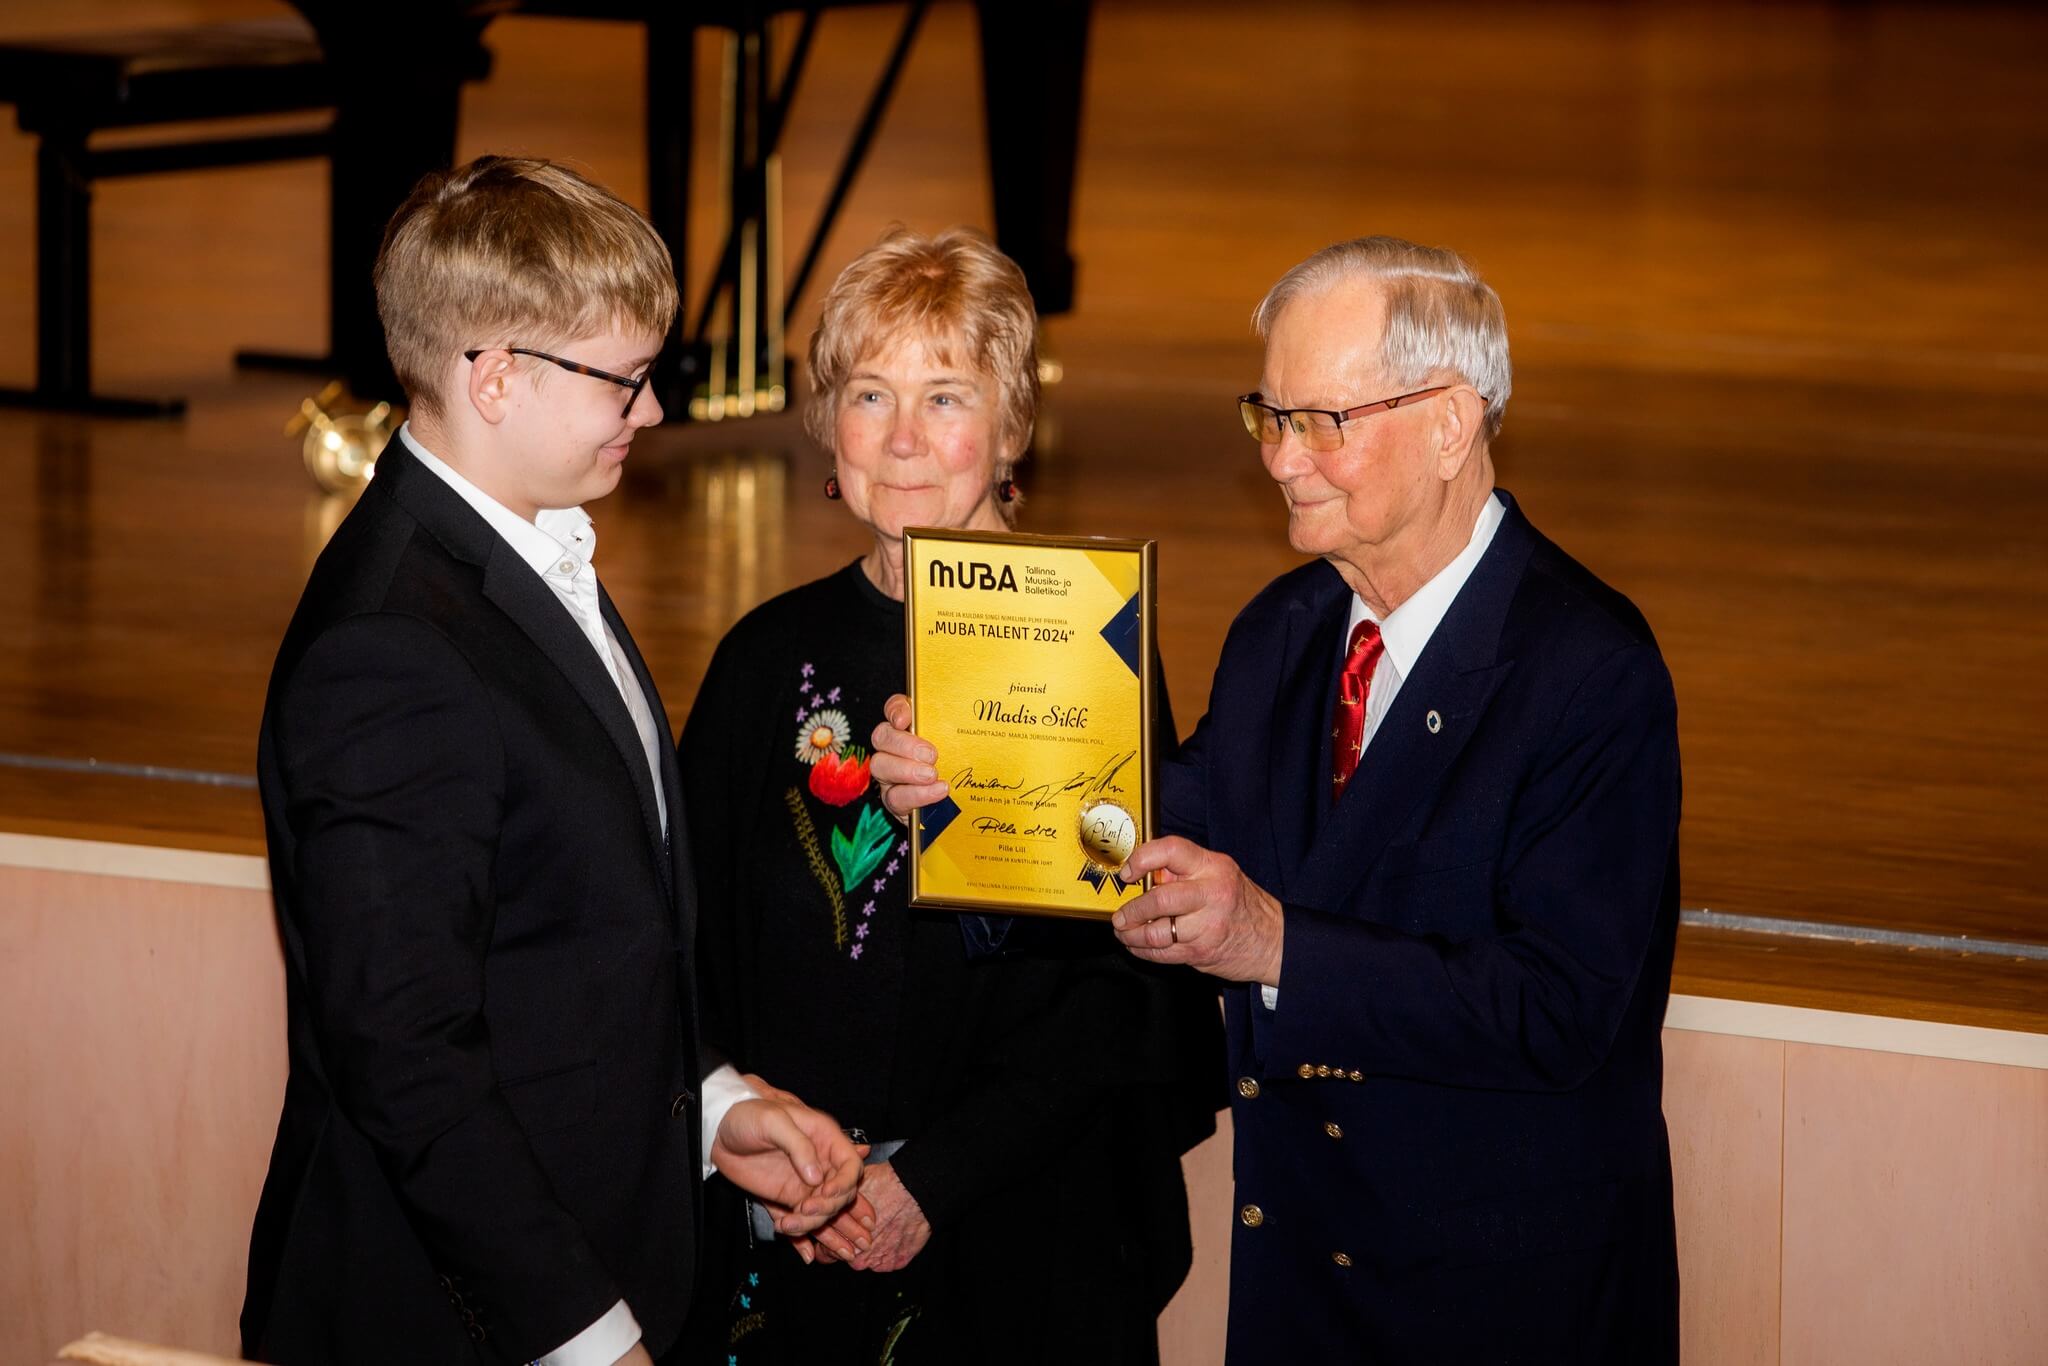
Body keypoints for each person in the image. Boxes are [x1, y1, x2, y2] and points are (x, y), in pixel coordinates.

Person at [876, 236, 1682, 1363]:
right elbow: (1145, 834)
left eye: (1323, 422)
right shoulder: (1284, 632)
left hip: (1500, 1309)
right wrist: (975, 795)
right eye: (1269, 416)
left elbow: (1556, 1008)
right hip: (1302, 1296)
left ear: (1451, 424)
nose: (1282, 459)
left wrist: (1275, 945)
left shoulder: (1587, 669)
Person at [241, 156, 864, 1366]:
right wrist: (585, 1338)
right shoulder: (391, 649)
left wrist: (711, 1106)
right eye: (623, 380)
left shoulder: (523, 547)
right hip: (457, 1321)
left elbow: (567, 941)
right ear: (494, 378)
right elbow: (407, 1060)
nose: (652, 412)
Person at [678, 227, 1220, 1365]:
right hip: (796, 1219)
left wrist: (927, 1181)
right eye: (870, 394)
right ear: (829, 424)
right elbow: (684, 948)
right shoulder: (763, 658)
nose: (903, 439)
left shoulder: (1086, 640)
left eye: (945, 397)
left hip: (1016, 1237)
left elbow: (1121, 991)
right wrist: (768, 1146)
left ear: (1011, 427)